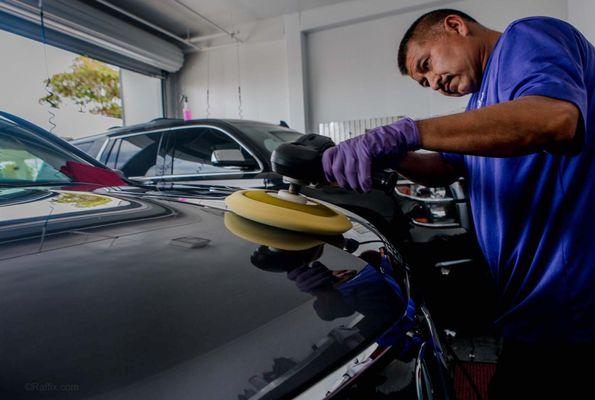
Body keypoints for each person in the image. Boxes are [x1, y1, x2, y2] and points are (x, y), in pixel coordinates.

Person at [321, 9, 595, 398]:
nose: (434, 83)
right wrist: (390, 154)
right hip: (529, 299)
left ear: (455, 25)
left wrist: (410, 132)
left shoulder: (526, 36)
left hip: (571, 297)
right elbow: (445, 168)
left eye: (427, 64)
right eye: (424, 83)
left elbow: (555, 118)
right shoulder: (480, 109)